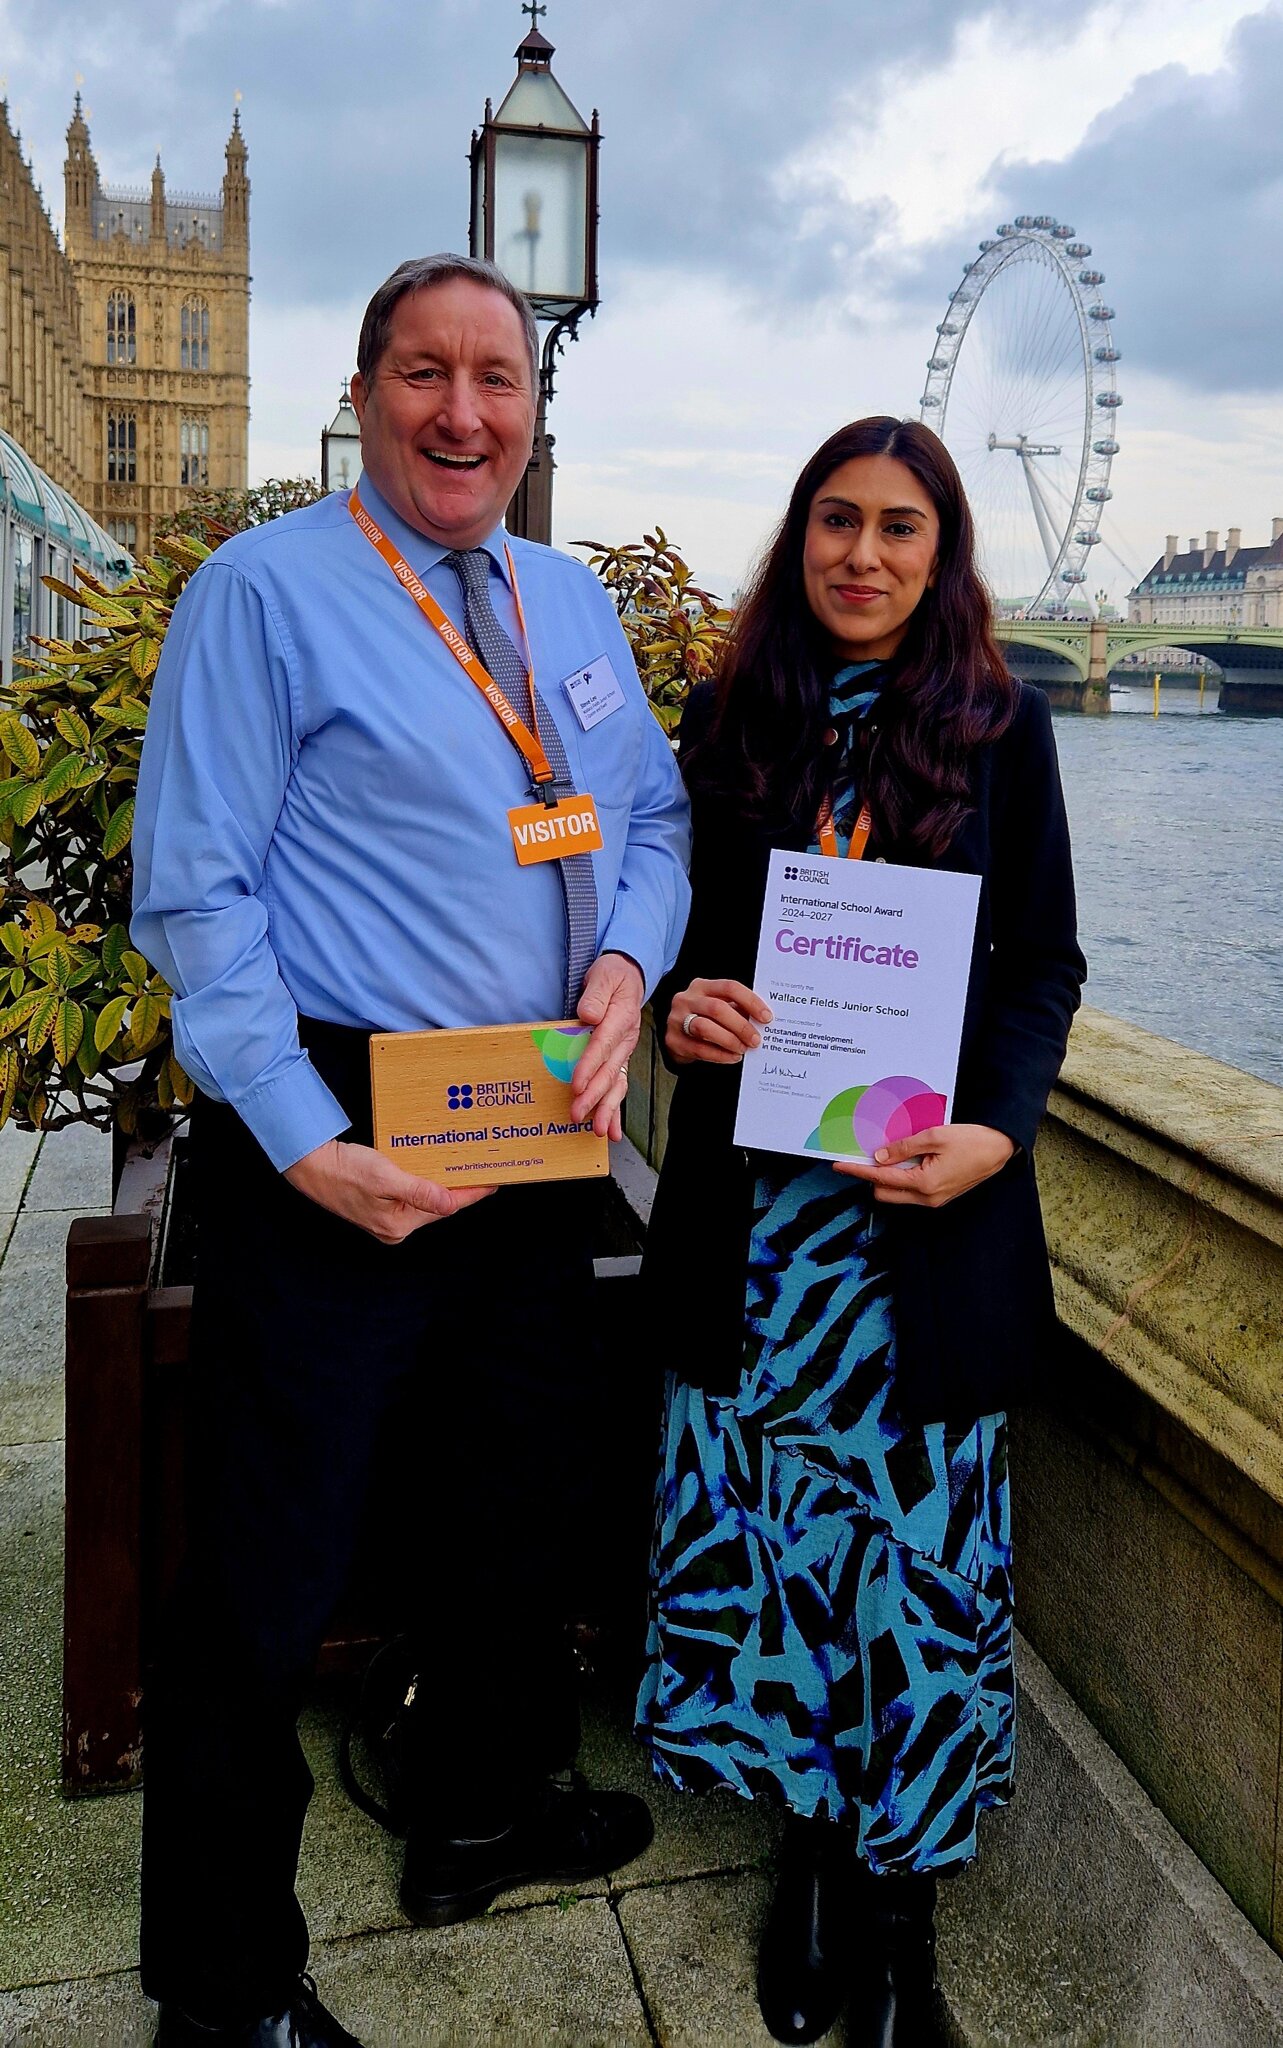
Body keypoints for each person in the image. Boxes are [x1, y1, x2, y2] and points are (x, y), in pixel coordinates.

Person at [130, 253, 691, 2048]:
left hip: (537, 1119)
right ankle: (224, 1993)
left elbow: (656, 821)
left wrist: (623, 960)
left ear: (535, 409)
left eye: (499, 381)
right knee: (268, 1579)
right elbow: (198, 899)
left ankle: (475, 1810)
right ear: (364, 392)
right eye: (427, 375)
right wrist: (300, 1138)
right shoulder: (263, 595)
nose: (466, 413)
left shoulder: (569, 602)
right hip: (340, 1130)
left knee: (515, 1502)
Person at [634, 416, 1085, 2046]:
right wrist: (683, 1009)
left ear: (942, 550)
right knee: (774, 1574)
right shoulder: (724, 717)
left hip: (913, 1243)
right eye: (838, 521)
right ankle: (811, 1864)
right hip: (755, 1243)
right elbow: (668, 944)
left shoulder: (1001, 730)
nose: (864, 556)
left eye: (901, 528)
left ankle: (902, 1940)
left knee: (908, 1586)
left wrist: (1001, 1130)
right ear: (799, 532)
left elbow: (1042, 967)